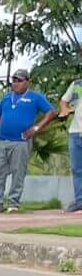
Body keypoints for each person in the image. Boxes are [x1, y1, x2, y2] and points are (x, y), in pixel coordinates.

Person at [0, 68, 56, 213]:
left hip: (21, 141)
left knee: (18, 172)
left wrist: (35, 128)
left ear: (28, 82)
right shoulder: (7, 98)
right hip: (2, 140)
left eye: (19, 81)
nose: (15, 83)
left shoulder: (35, 97)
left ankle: (13, 203)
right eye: (13, 80)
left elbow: (51, 112)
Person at [60, 75, 82, 212]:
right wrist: (65, 109)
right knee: (77, 169)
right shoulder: (78, 84)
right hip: (75, 132)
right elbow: (64, 101)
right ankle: (80, 201)